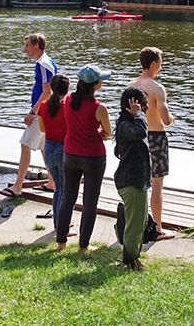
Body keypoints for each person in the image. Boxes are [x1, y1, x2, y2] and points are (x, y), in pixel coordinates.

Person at [56, 64, 112, 253]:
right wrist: (98, 131)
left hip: (70, 154)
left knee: (68, 198)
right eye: (101, 80)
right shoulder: (99, 107)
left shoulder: (69, 99)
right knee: (90, 202)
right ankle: (83, 246)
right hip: (93, 157)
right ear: (96, 84)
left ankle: (61, 243)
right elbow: (108, 132)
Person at [0, 33, 57, 198]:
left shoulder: (43, 64)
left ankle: (17, 186)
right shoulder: (45, 62)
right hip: (46, 111)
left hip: (42, 113)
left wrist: (33, 112)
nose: (25, 49)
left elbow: (47, 92)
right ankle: (52, 181)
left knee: (25, 144)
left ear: (36, 45)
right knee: (44, 148)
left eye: (27, 45)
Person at [128, 47, 176, 240]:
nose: (161, 66)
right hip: (155, 137)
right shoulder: (157, 89)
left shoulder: (130, 86)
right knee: (157, 185)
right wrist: (172, 117)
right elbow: (165, 119)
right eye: (160, 62)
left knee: (136, 183)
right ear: (154, 63)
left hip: (134, 137)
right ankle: (157, 228)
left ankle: (134, 225)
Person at [114, 87, 151, 271]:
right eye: (143, 104)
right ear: (132, 104)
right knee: (134, 226)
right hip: (131, 182)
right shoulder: (127, 125)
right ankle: (128, 262)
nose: (146, 108)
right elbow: (140, 133)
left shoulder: (128, 123)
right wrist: (138, 115)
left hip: (138, 181)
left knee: (139, 222)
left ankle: (133, 259)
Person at [38, 74, 70, 230]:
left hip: (48, 147)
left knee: (58, 188)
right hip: (63, 148)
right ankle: (61, 225)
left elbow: (42, 129)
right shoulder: (67, 106)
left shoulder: (43, 105)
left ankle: (59, 222)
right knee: (65, 189)